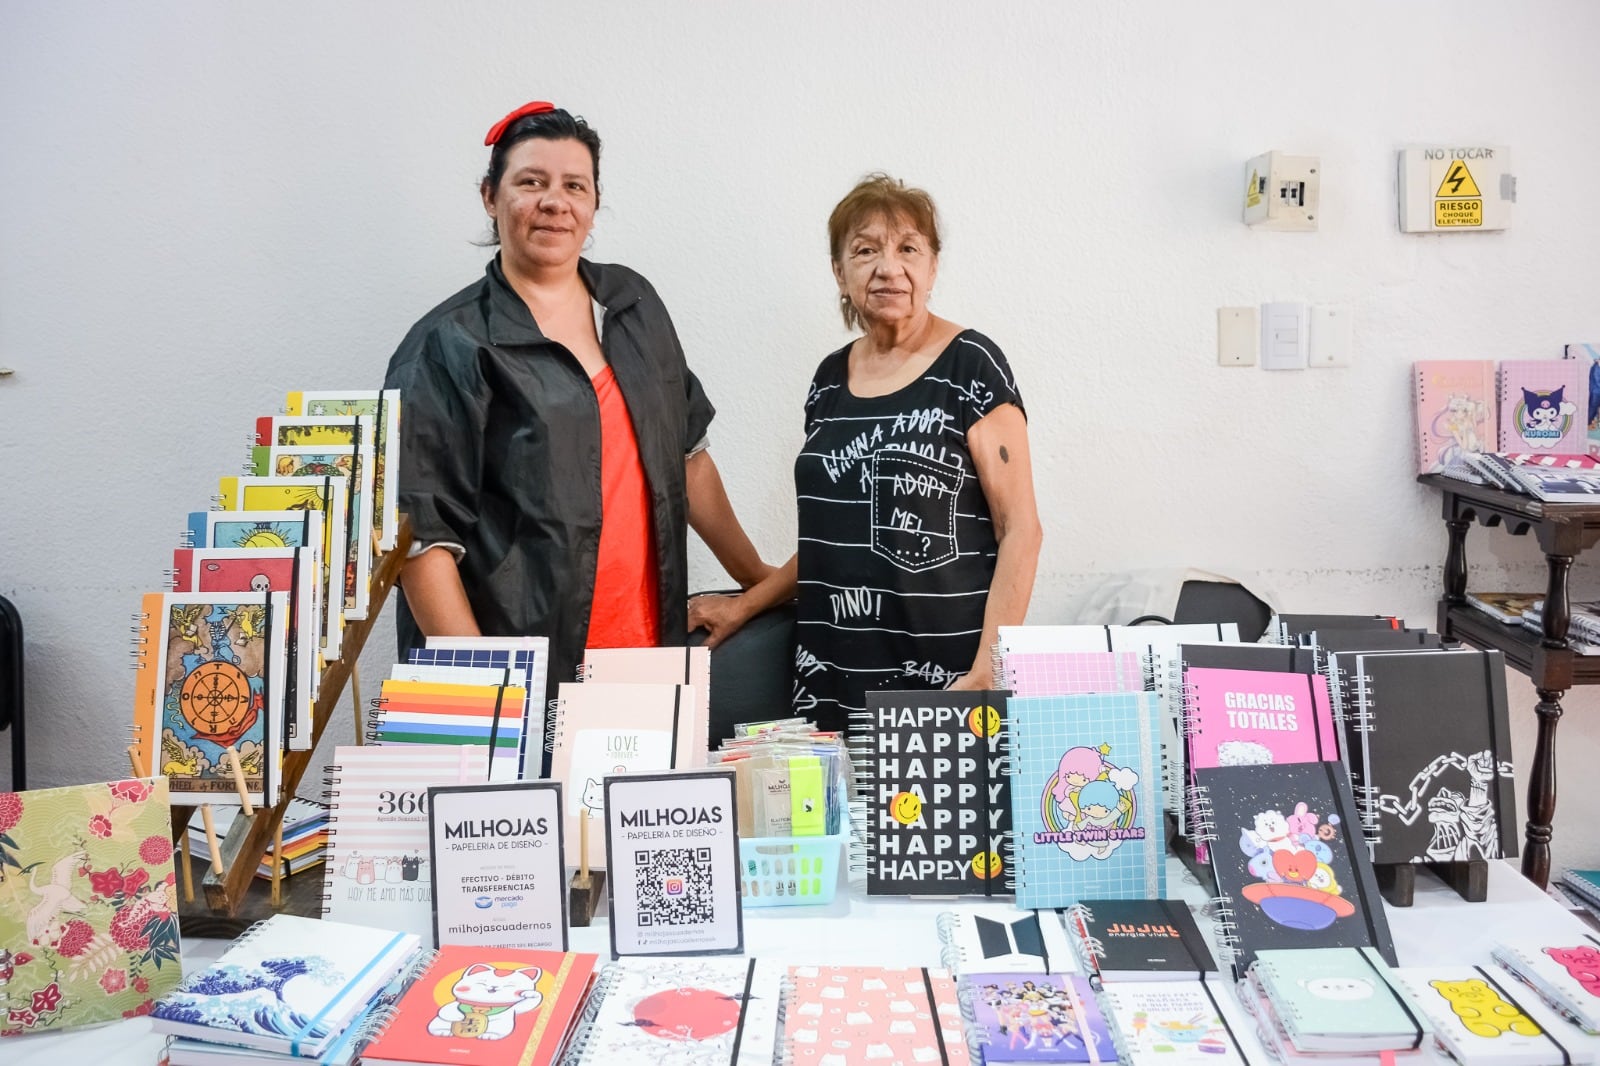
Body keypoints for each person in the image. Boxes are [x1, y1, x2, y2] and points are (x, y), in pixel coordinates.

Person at [386, 101, 770, 702]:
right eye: (530, 182)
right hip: (521, 676)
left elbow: (687, 458)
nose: (554, 202)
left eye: (574, 185)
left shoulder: (633, 305)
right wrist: (483, 698)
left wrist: (759, 584)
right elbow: (420, 541)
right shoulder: (448, 344)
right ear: (491, 196)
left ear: (593, 204)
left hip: (650, 654)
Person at [689, 173, 1041, 731]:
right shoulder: (830, 379)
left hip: (945, 680)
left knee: (939, 821)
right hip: (831, 672)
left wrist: (987, 671)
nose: (887, 267)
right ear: (839, 272)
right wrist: (746, 603)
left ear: (932, 267)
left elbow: (1020, 528)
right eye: (865, 250)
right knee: (837, 818)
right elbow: (834, 540)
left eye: (908, 249)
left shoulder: (970, 365)